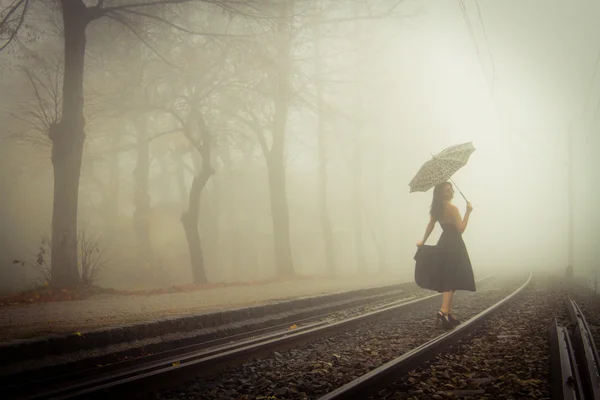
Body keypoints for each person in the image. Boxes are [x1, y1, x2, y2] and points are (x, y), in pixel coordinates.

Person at [416, 181, 476, 329]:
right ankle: (443, 311)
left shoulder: (438, 208)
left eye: (450, 189)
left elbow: (431, 225)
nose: (449, 192)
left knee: (450, 277)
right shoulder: (452, 208)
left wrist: (423, 241)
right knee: (451, 278)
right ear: (441, 193)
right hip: (454, 244)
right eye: (446, 190)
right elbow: (461, 229)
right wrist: (468, 211)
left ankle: (448, 313)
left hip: (444, 242)